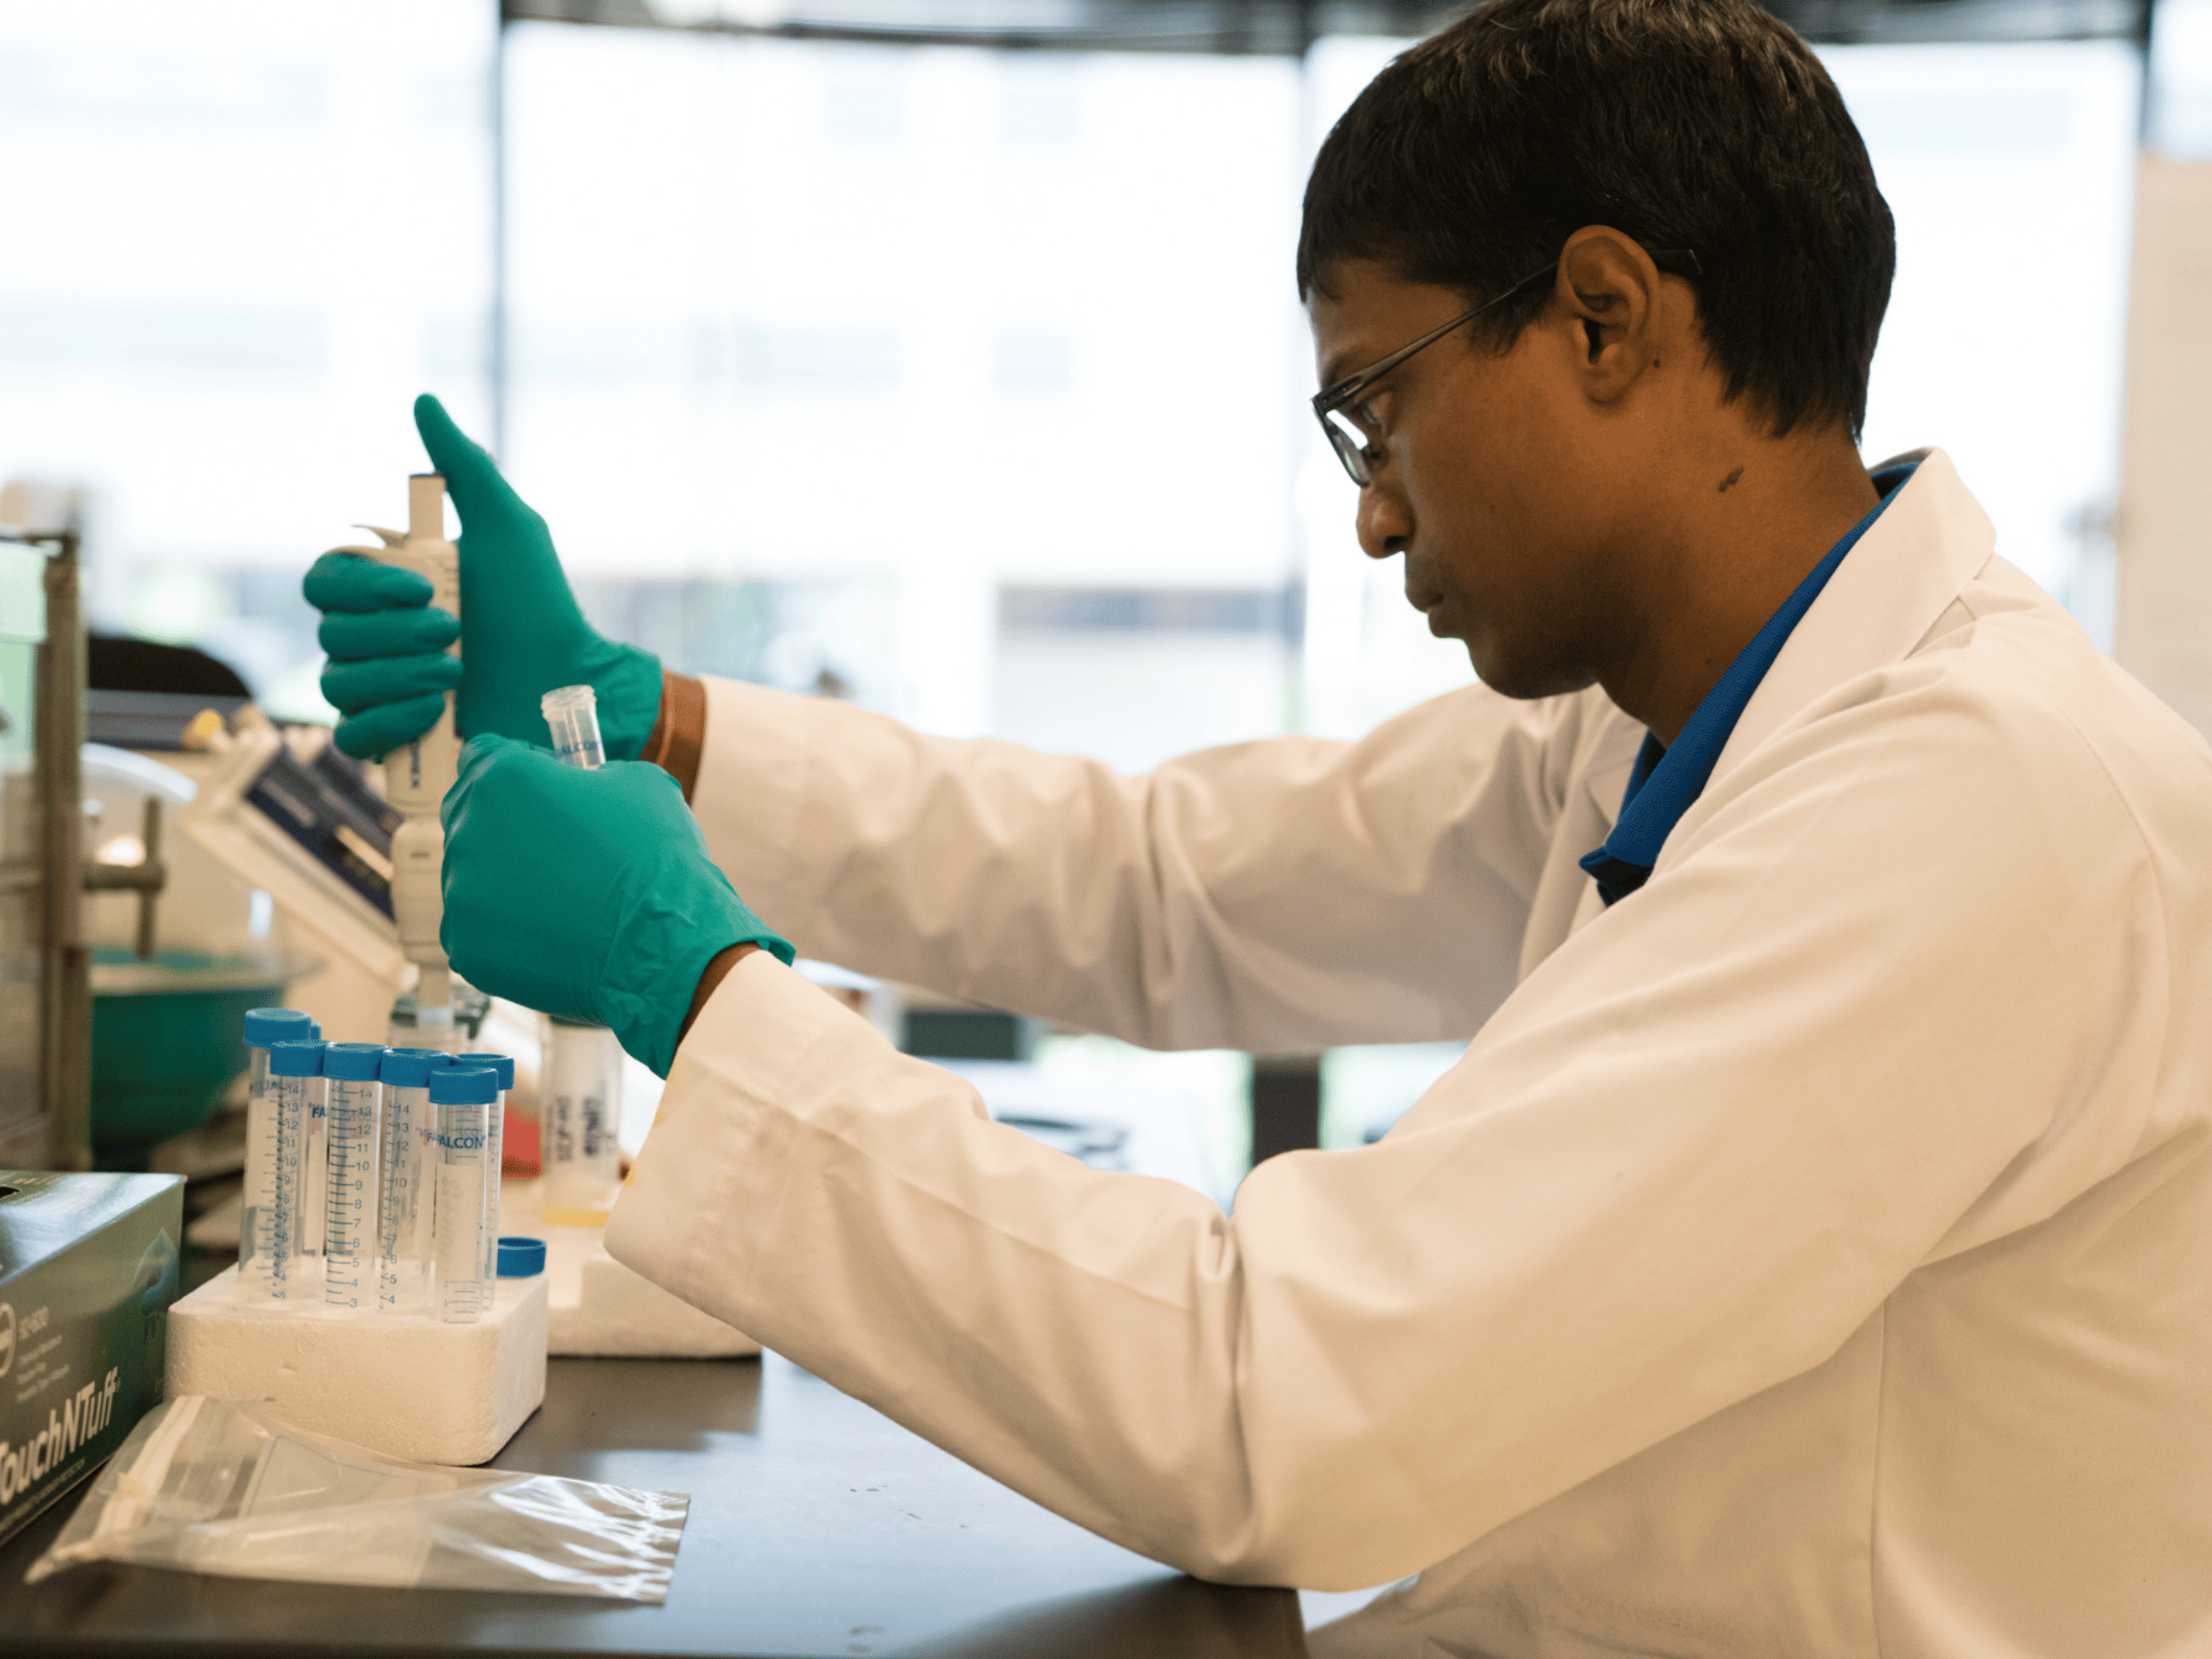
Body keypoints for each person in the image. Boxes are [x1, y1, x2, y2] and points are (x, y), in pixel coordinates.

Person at [306, 1, 2212, 1651]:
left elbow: (1274, 1406)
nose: (1375, 516)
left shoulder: (1972, 809)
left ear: (1607, 316)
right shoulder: (1674, 720)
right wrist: (661, 725)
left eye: (1375, 412)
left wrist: (692, 981)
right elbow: (1161, 885)